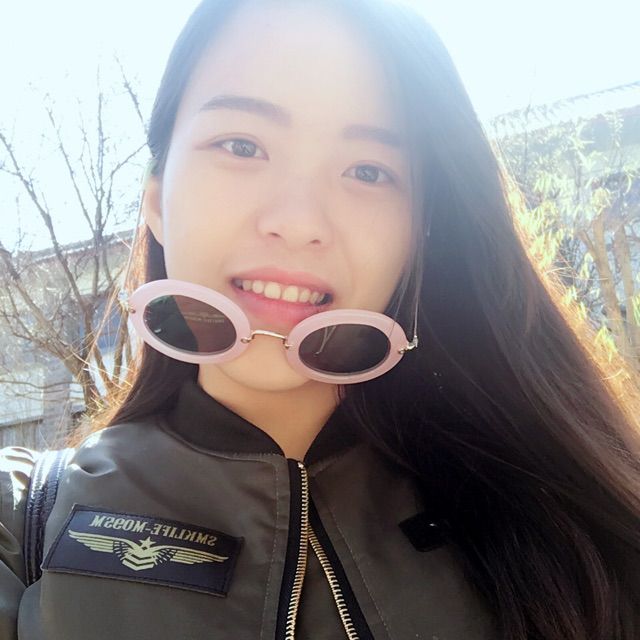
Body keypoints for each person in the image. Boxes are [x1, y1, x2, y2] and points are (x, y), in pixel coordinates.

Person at [2, 0, 640, 638]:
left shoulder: (562, 517)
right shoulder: (22, 522)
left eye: (368, 170)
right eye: (242, 145)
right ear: (157, 203)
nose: (299, 221)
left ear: (417, 236)